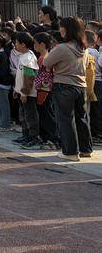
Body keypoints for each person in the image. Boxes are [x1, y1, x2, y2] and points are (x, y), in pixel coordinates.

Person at [43, 17, 93, 161]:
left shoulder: (62, 48)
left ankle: (70, 152)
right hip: (81, 86)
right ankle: (85, 149)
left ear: (66, 29)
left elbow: (46, 62)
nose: (60, 30)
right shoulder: (83, 48)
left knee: (65, 119)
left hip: (63, 84)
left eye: (61, 27)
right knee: (81, 118)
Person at [11, 32, 42, 149]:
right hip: (21, 92)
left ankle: (33, 137)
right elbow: (20, 76)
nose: (15, 44)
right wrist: (17, 90)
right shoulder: (23, 56)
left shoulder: (28, 58)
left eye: (16, 42)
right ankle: (25, 135)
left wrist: (25, 92)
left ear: (23, 44)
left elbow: (29, 77)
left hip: (28, 94)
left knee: (30, 116)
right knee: (23, 115)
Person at [34, 32, 58, 148]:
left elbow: (46, 78)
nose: (34, 45)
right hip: (44, 90)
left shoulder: (45, 59)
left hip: (45, 91)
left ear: (42, 44)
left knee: (47, 115)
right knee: (45, 114)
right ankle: (46, 138)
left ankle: (51, 139)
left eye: (35, 43)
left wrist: (43, 92)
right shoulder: (44, 57)